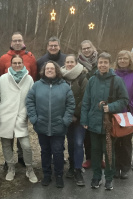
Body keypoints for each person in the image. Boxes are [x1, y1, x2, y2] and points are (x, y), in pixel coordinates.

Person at [81, 52, 129, 191]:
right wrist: (85, 119)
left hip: (109, 124)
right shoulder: (92, 80)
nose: (102, 65)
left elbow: (124, 100)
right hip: (93, 123)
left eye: (105, 63)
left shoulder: (117, 80)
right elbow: (86, 101)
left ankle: (109, 178)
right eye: (100, 62)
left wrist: (111, 107)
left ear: (110, 64)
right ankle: (96, 177)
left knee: (109, 152)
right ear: (98, 64)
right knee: (95, 152)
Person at [26, 61, 75, 188]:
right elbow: (30, 101)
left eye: (52, 68)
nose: (49, 70)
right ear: (44, 70)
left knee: (58, 152)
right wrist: (34, 118)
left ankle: (59, 175)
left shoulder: (64, 86)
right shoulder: (37, 85)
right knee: (45, 151)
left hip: (59, 126)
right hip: (41, 125)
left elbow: (71, 105)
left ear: (56, 70)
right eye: (47, 68)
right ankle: (47, 175)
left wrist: (65, 120)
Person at [0, 55, 38, 183]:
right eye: (15, 63)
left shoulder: (28, 79)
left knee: (26, 146)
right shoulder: (3, 78)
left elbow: (32, 97)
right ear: (11, 64)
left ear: (23, 64)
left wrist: (27, 113)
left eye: (19, 63)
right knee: (6, 144)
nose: (17, 65)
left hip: (21, 115)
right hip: (5, 116)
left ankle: (29, 169)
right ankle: (11, 167)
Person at [0, 32, 37, 167]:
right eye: (15, 40)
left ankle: (21, 157)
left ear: (23, 41)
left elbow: (34, 76)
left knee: (21, 131)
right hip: (8, 103)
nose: (17, 43)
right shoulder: (3, 58)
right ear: (11, 42)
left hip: (23, 103)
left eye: (20, 40)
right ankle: (8, 162)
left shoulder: (30, 58)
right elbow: (0, 75)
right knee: (8, 134)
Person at [114, 50, 133, 179]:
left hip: (128, 114)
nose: (122, 61)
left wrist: (129, 107)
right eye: (120, 58)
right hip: (114, 114)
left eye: (125, 58)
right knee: (115, 141)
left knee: (126, 142)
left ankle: (125, 168)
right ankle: (115, 167)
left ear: (130, 60)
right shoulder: (113, 74)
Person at [60, 54, 88, 186]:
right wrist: (67, 115)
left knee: (78, 143)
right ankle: (71, 166)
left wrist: (75, 114)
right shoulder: (61, 77)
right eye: (67, 62)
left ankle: (78, 170)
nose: (69, 64)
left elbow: (85, 98)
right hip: (65, 118)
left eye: (72, 62)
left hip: (79, 118)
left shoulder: (82, 77)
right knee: (70, 143)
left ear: (76, 63)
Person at [77, 40, 99, 169]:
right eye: (83, 48)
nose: (86, 50)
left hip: (98, 101)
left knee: (98, 132)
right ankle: (89, 158)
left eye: (88, 48)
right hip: (85, 101)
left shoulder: (99, 61)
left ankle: (99, 158)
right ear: (81, 50)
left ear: (92, 48)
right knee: (87, 134)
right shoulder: (78, 64)